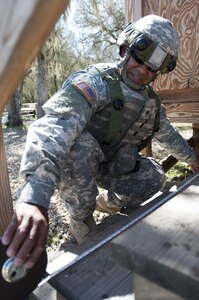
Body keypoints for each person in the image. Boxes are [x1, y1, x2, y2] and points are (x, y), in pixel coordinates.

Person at [2, 15, 199, 269]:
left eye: (152, 69)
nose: (142, 72)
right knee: (80, 144)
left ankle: (106, 203)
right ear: (125, 49)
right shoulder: (95, 83)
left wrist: (192, 159)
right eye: (139, 60)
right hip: (79, 164)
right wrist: (33, 197)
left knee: (156, 176)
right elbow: (51, 130)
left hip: (112, 165)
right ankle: (81, 219)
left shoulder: (150, 103)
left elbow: (167, 134)